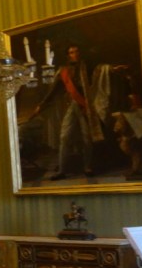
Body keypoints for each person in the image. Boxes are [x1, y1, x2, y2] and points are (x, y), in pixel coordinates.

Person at [32, 44, 102, 180]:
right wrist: (42, 105)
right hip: (71, 104)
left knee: (87, 138)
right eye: (71, 52)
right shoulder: (63, 71)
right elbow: (54, 90)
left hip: (85, 105)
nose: (74, 54)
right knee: (64, 137)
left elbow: (101, 71)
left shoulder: (87, 67)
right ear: (68, 55)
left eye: (76, 51)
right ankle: (62, 170)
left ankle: (87, 167)